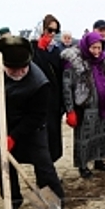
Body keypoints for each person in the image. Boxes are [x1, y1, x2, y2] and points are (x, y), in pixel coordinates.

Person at [0, 36, 65, 209]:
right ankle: (12, 200)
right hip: (0, 125)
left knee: (43, 165)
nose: (19, 72)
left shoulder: (39, 83)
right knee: (6, 166)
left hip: (32, 129)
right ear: (2, 62)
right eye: (13, 68)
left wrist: (14, 137)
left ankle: (56, 205)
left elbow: (36, 116)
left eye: (23, 68)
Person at [60, 32, 105, 179]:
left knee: (101, 135)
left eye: (99, 48)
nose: (97, 51)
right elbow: (67, 87)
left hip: (101, 106)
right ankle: (83, 166)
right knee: (84, 138)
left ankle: (99, 160)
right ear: (86, 46)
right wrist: (70, 110)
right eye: (93, 48)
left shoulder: (103, 60)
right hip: (84, 107)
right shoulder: (74, 62)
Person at [32, 14, 65, 162]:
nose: (52, 34)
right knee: (40, 139)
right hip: (38, 101)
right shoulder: (32, 49)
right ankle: (44, 174)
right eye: (49, 30)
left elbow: (60, 75)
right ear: (42, 29)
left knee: (53, 137)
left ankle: (51, 169)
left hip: (54, 101)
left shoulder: (56, 50)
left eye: (55, 31)